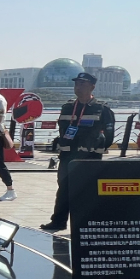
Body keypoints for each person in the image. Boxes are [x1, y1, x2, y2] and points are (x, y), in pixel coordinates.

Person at [40, 73, 116, 232]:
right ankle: (58, 221)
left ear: (92, 87)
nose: (78, 87)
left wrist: (98, 148)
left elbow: (109, 135)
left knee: (87, 190)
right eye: (76, 84)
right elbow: (63, 130)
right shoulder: (67, 107)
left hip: (89, 157)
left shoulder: (102, 109)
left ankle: (87, 222)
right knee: (64, 189)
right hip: (68, 155)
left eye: (82, 84)